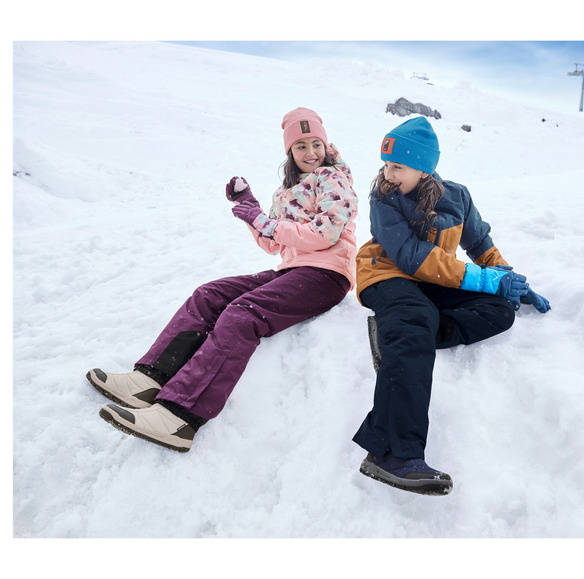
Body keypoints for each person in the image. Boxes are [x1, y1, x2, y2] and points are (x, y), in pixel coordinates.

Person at [87, 107, 358, 452]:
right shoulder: (285, 191)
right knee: (210, 295)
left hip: (327, 275)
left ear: (325, 144)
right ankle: (149, 380)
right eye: (301, 146)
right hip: (291, 270)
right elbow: (272, 243)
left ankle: (178, 415)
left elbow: (326, 232)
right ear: (289, 151)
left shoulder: (334, 179)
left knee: (244, 313)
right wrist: (251, 210)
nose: (310, 153)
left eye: (315, 143)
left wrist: (266, 222)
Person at [353, 116, 550, 495]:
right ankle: (391, 453)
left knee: (499, 311)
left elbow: (481, 245)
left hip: (432, 281)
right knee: (414, 315)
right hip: (386, 273)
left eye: (398, 166)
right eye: (386, 165)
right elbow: (411, 257)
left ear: (424, 167)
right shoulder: (383, 197)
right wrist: (482, 279)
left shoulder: (457, 196)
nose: (388, 173)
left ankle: (399, 336)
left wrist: (512, 283)